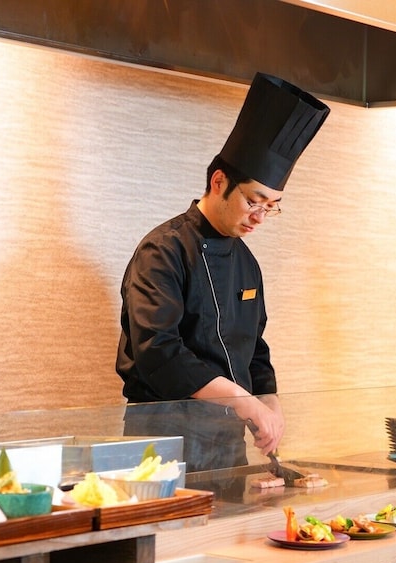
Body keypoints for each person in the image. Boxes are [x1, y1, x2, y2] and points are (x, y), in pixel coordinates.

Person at [116, 73, 330, 472]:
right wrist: (245, 402)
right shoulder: (162, 250)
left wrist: (269, 403)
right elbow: (159, 352)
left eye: (272, 206)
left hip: (226, 445)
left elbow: (253, 346)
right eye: (255, 201)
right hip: (161, 444)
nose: (261, 216)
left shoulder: (246, 262)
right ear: (219, 182)